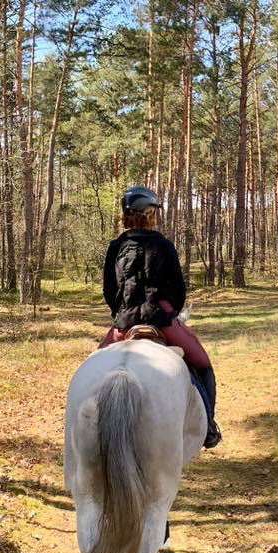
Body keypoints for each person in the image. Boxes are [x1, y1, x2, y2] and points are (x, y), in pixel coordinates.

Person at [99, 185, 221, 449]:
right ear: (149, 214)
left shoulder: (116, 247)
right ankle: (208, 426)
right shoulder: (164, 245)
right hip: (161, 320)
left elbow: (109, 290)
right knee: (203, 364)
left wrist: (120, 314)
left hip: (124, 322)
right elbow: (178, 290)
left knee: (91, 366)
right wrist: (171, 312)